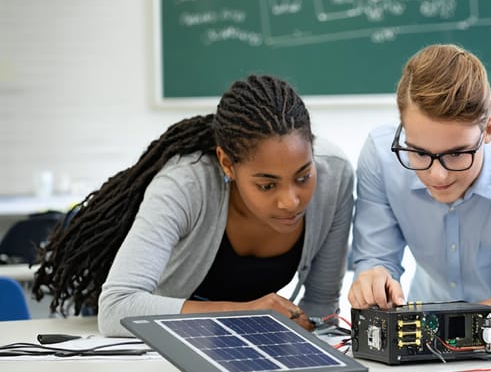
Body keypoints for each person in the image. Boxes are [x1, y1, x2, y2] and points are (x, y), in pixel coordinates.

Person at [34, 74, 354, 336]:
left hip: (241, 343)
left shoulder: (334, 175)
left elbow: (321, 309)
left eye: (303, 176)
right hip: (148, 339)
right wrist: (245, 314)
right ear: (227, 164)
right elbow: (117, 307)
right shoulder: (186, 185)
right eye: (267, 185)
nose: (291, 201)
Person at [348, 44, 491, 325]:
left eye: (456, 154)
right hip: (425, 316)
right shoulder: (382, 158)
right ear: (402, 129)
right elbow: (376, 259)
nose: (437, 176)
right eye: (419, 153)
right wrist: (373, 282)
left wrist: (439, 326)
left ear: (488, 130)